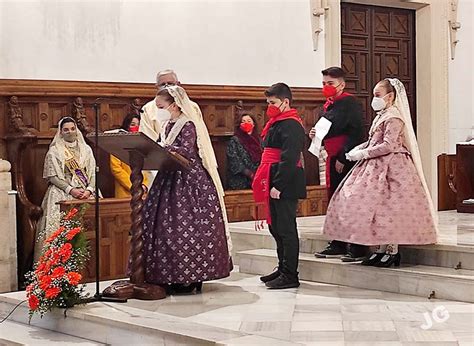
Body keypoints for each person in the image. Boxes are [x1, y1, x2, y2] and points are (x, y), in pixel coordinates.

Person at [323, 78, 438, 267]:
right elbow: (373, 141)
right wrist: (356, 150)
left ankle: (392, 251)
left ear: (390, 96)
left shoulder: (394, 117)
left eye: (378, 95)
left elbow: (389, 145)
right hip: (375, 165)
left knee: (390, 208)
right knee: (374, 208)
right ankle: (380, 249)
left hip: (393, 166)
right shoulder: (382, 115)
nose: (374, 99)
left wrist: (364, 153)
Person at [141, 86, 232, 294]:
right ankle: (167, 274)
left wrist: (165, 148)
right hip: (168, 175)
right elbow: (163, 144)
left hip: (188, 179)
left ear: (173, 104)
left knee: (187, 224)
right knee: (164, 225)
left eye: (161, 106)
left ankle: (191, 276)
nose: (159, 110)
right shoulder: (166, 124)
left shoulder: (187, 123)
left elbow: (187, 151)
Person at [253, 83, 306, 289]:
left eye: (273, 102)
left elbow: (290, 157)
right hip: (273, 176)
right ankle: (282, 267)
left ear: (285, 102)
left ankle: (290, 274)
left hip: (285, 181)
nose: (269, 106)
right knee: (275, 227)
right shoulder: (276, 122)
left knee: (286, 229)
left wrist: (280, 185)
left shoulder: (291, 124)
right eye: (268, 102)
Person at [310, 67, 366, 261]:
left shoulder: (350, 103)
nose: (326, 87)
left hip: (345, 159)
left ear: (341, 84)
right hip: (331, 157)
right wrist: (316, 135)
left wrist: (343, 156)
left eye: (330, 83)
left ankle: (357, 246)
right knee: (335, 201)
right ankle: (338, 241)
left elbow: (356, 132)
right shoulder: (329, 105)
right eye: (324, 83)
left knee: (350, 201)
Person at [34, 117, 96, 260]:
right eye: (66, 130)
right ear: (60, 132)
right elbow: (52, 177)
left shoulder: (86, 149)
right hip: (61, 193)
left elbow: (92, 173)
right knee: (57, 233)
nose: (70, 132)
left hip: (86, 193)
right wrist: (71, 190)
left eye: (72, 129)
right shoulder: (55, 151)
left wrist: (89, 190)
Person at [109, 114, 149, 198]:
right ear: (127, 126)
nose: (136, 127)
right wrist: (134, 186)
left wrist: (144, 184)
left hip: (143, 191)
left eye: (139, 125)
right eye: (133, 124)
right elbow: (116, 169)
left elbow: (147, 168)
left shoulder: (143, 144)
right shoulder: (117, 144)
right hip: (125, 191)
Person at [226, 114, 262, 189]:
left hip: (259, 177)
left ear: (253, 124)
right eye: (243, 121)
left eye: (249, 121)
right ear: (239, 125)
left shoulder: (259, 140)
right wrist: (250, 174)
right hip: (241, 179)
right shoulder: (234, 140)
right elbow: (234, 160)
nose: (246, 123)